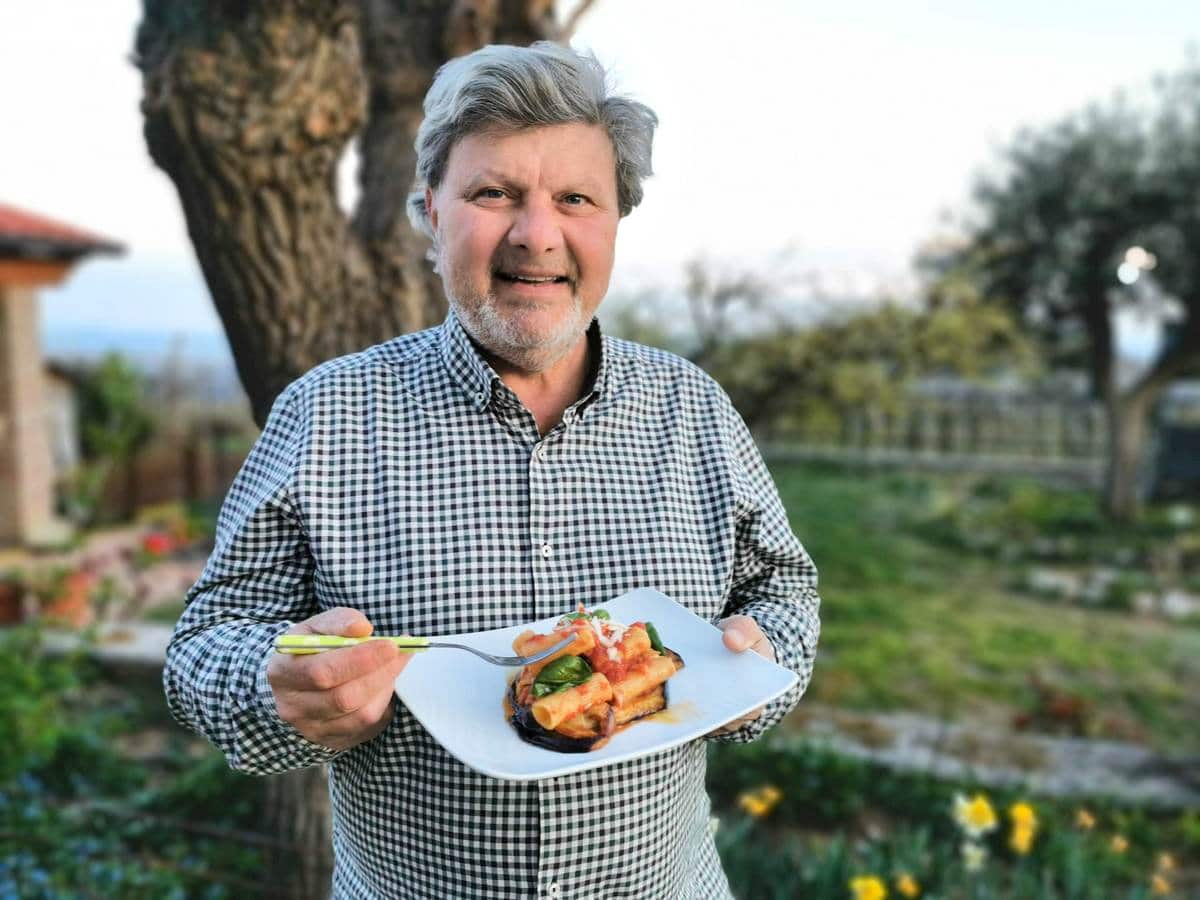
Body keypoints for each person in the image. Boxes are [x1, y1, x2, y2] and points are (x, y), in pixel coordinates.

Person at [164, 41, 820, 900]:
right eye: (493, 193)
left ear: (616, 220)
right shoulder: (325, 416)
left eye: (575, 199)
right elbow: (201, 648)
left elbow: (785, 591)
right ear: (431, 212)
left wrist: (763, 664)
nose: (536, 235)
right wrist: (274, 683)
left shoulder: (691, 409)